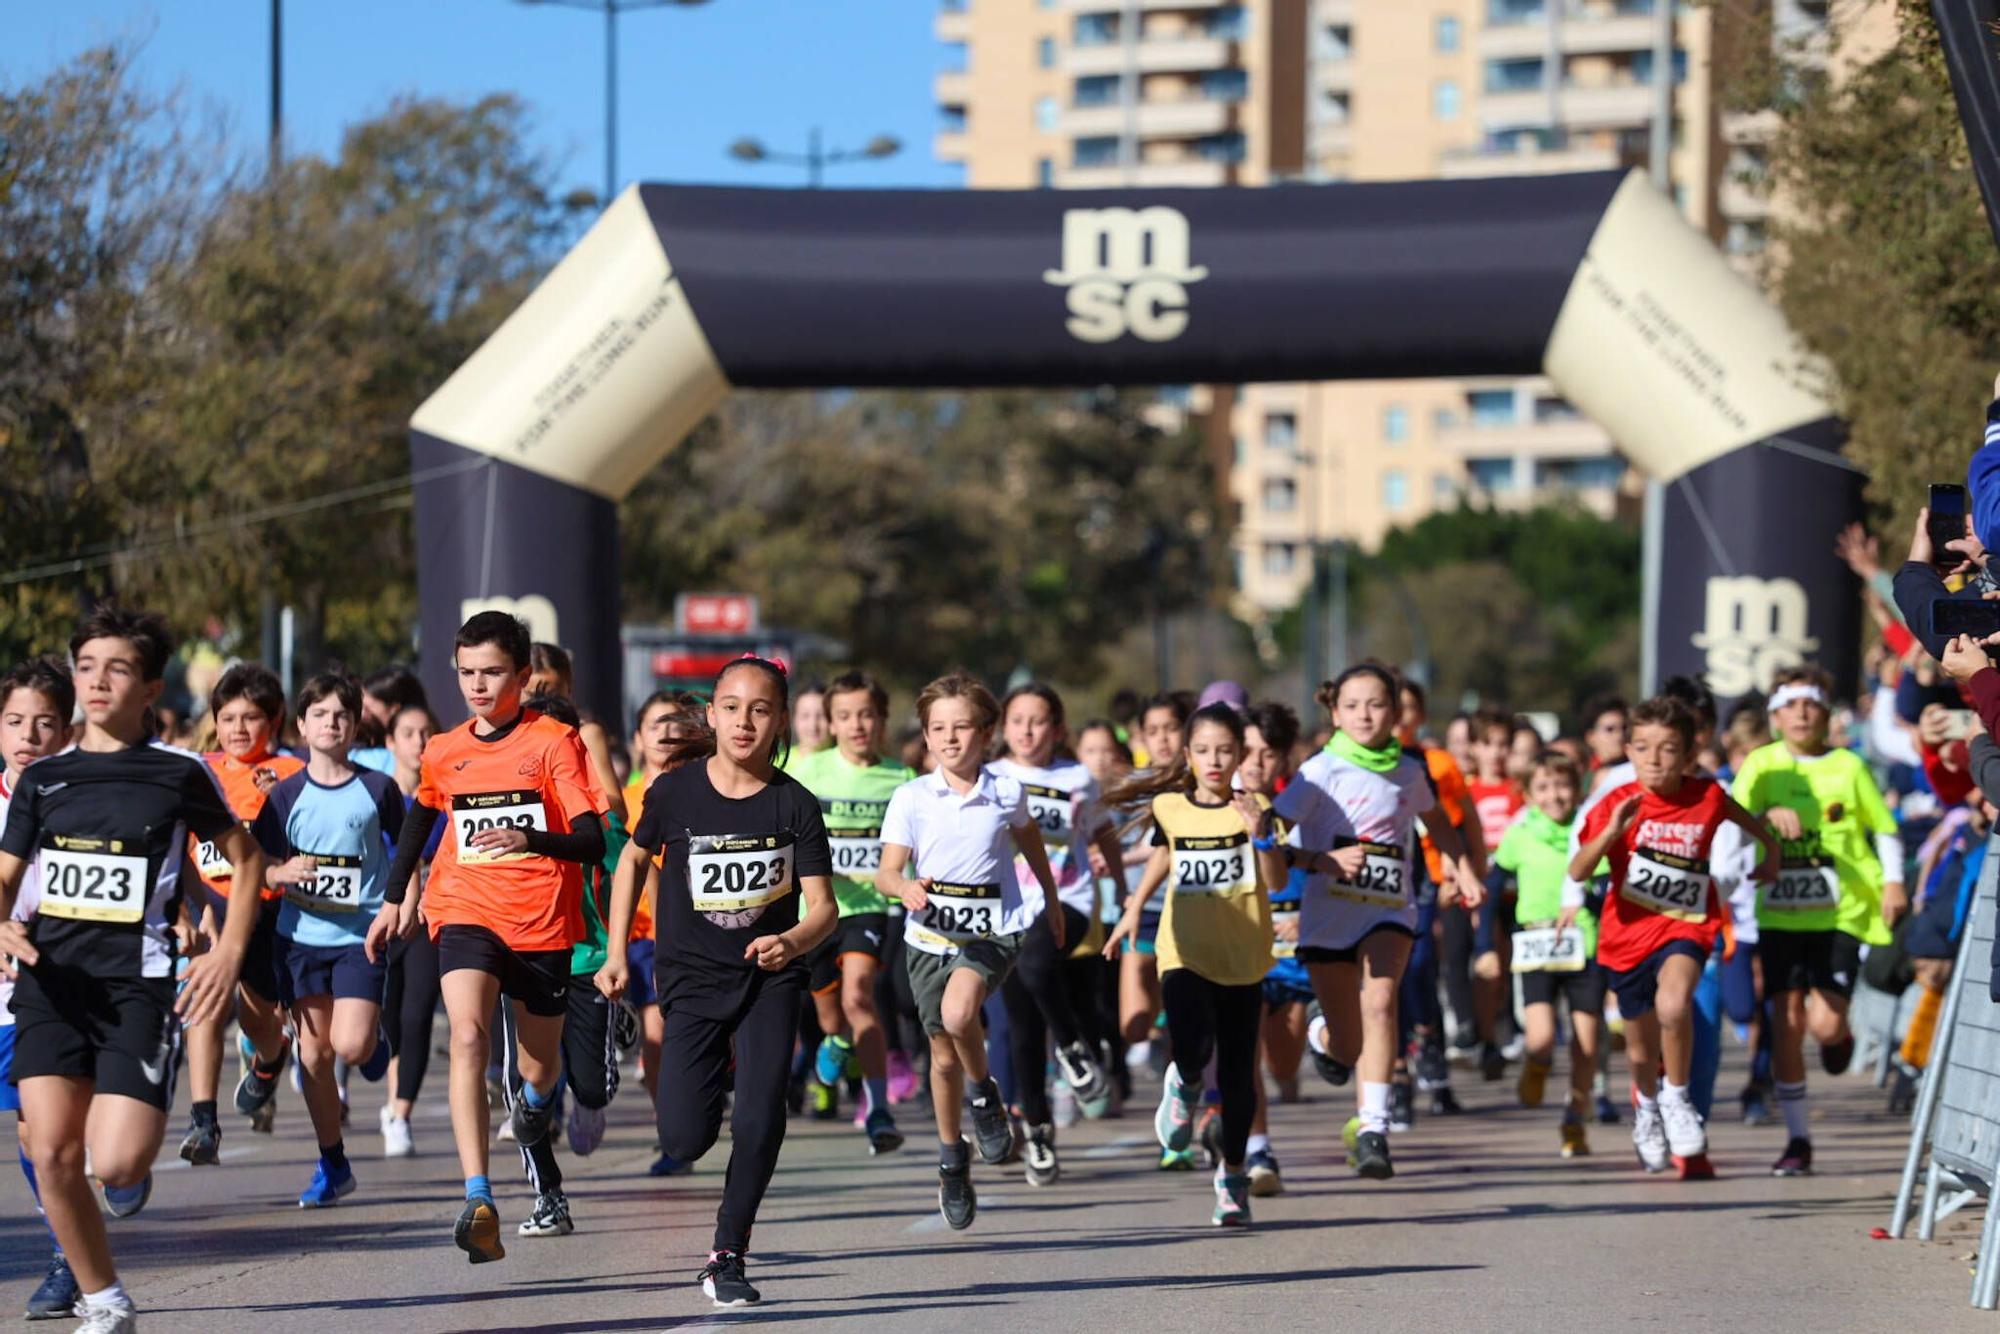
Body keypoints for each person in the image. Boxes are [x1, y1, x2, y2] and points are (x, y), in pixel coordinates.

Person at [0, 607, 268, 1334]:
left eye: (116, 668)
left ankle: (133, 1127)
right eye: (85, 665)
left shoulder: (179, 773)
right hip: (51, 983)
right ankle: (106, 1299)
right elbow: (4, 874)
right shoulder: (45, 779)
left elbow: (246, 864)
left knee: (113, 1165)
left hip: (136, 988)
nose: (95, 681)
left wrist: (228, 952)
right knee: (51, 1152)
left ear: (150, 687)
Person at [595, 655, 835, 1308]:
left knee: (760, 1121)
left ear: (780, 719)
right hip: (691, 981)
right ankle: (718, 1077)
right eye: (731, 707)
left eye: (760, 709)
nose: (744, 721)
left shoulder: (795, 804)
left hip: (770, 980)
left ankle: (727, 1253)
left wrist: (789, 940)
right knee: (684, 1138)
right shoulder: (673, 793)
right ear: (712, 714)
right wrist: (615, 951)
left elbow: (824, 909)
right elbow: (632, 860)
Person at [375, 611, 609, 1263]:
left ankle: (535, 1103)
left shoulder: (554, 742)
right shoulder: (445, 750)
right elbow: (421, 821)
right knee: (470, 1036)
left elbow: (590, 841)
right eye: (467, 673)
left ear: (523, 675)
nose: (477, 686)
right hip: (464, 910)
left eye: (493, 673)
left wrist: (529, 838)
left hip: (541, 925)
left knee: (538, 1068)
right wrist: (397, 897)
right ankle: (478, 1195)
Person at [1268, 664, 1485, 1180]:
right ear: (1335, 713)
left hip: (1389, 908)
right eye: (1353, 705)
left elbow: (1438, 824)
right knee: (1348, 1044)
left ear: (1395, 711)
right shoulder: (1318, 772)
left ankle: (1373, 1129)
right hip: (1329, 916)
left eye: (1376, 704)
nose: (1365, 715)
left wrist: (1463, 867)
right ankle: (1323, 1035)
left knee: (1383, 1001)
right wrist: (1318, 860)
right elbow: (1273, 843)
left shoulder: (1410, 770)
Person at [877, 671, 1062, 1225]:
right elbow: (886, 870)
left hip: (993, 930)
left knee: (961, 1014)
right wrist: (904, 885)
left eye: (962, 728)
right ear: (926, 737)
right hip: (929, 936)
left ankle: (984, 1095)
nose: (951, 738)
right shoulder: (912, 796)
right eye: (939, 729)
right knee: (939, 1055)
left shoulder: (1006, 791)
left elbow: (1029, 839)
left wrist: (1050, 897)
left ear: (986, 734)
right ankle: (952, 1159)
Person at [1568, 696, 1778, 1179]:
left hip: (1686, 924)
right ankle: (1647, 1109)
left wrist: (1770, 856)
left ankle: (1678, 1098)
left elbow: (1756, 827)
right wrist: (1611, 833)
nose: (1654, 759)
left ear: (1688, 754)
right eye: (1643, 748)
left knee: (1674, 1005)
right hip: (1627, 937)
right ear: (1629, 750)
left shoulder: (1707, 796)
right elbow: (1578, 870)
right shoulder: (1615, 802)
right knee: (1641, 1050)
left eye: (1668, 749)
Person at [1731, 665, 1904, 1176]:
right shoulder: (1761, 766)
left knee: (1824, 1025)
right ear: (1776, 716)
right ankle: (1798, 1139)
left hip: (1840, 913)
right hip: (1780, 914)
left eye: (1811, 704)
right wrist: (1763, 822)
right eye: (1791, 705)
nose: (1802, 713)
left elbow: (1885, 828)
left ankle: (1839, 1037)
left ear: (1826, 713)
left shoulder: (1849, 767)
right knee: (1786, 1026)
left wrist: (1893, 882)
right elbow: (1728, 831)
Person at [1106, 702, 1274, 1226]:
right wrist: (1132, 910)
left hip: (1243, 956)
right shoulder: (1170, 807)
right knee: (1191, 1042)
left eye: (1225, 750)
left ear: (1241, 754)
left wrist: (1260, 831)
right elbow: (1166, 852)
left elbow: (1281, 876)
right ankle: (1183, 1087)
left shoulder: (1257, 806)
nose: (1215, 760)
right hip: (1183, 949)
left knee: (1240, 1077)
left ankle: (1232, 1175)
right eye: (1204, 751)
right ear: (1188, 756)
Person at [250, 673, 407, 1208]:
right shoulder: (285, 795)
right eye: (320, 714)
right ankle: (333, 1163)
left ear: (355, 724)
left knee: (352, 1046)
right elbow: (259, 866)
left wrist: (404, 901)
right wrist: (281, 872)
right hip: (299, 939)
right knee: (313, 1059)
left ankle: (374, 1040)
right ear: (301, 725)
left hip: (359, 935)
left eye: (341, 714)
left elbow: (406, 852)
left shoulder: (377, 789)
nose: (331, 723)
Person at [495, 692, 623, 1238]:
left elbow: (632, 878)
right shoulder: (503, 813)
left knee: (590, 1087)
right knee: (524, 1092)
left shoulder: (598, 821)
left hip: (587, 961)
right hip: (523, 960)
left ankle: (589, 1093)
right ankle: (549, 1198)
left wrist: (620, 954)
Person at [989, 683, 1122, 1176]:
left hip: (1067, 900)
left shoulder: (1078, 778)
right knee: (1022, 1026)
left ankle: (1070, 1048)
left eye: (1038, 720)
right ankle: (1039, 1133)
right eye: (1018, 719)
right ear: (1004, 727)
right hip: (1007, 909)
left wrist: (1125, 895)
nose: (1027, 730)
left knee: (1038, 964)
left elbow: (1104, 831)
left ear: (1058, 729)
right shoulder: (990, 777)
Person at [179, 665, 304, 1162]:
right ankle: (203, 1121)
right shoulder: (196, 769)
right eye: (227, 717)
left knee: (259, 1022)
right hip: (209, 903)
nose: (237, 728)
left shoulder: (293, 772)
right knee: (203, 1001)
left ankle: (271, 1060)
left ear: (273, 720)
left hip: (267, 912)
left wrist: (281, 871)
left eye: (250, 717)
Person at [786, 671, 914, 1156]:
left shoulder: (900, 779)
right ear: (831, 723)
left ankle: (878, 1108)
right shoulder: (806, 772)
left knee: (861, 997)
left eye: (866, 715)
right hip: (814, 910)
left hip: (868, 907)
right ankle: (836, 1041)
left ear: (881, 720)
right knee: (829, 1014)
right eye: (844, 716)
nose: (856, 724)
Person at [0, 657, 80, 1319]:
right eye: (15, 721)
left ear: (66, 730)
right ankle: (69, 1249)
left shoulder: (81, 800)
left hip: (71, 984)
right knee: (30, 1137)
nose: (28, 734)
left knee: (49, 1131)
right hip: (4, 991)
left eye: (44, 723)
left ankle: (66, 1258)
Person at [1495, 752, 1601, 1157]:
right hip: (1535, 946)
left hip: (1584, 946)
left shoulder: (1590, 830)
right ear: (1529, 794)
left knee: (1586, 1045)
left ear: (1577, 788)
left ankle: (1574, 1120)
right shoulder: (1519, 833)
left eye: (1562, 786)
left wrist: (1589, 900)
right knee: (1539, 1038)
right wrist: (1489, 942)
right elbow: (1496, 883)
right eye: (1543, 787)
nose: (1555, 796)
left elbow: (1605, 882)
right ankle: (1536, 1066)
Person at [622, 689, 706, 1176]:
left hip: (686, 930)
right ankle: (670, 1131)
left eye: (678, 726)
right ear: (638, 738)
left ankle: (684, 1122)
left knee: (668, 1034)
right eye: (658, 725)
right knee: (652, 1040)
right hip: (635, 934)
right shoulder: (625, 797)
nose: (668, 734)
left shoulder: (702, 790)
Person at [1239, 702, 1307, 1197]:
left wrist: (1306, 917)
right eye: (1246, 752)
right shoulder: (1216, 806)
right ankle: (1257, 1148)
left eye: (1268, 754)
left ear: (1283, 760)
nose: (1255, 763)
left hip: (1293, 954)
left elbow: (1323, 868)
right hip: (1240, 947)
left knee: (1284, 1064)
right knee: (1245, 1053)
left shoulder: (1299, 808)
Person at [377, 702, 440, 1158]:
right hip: (376, 922)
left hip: (428, 921)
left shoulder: (446, 799)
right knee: (385, 1022)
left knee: (416, 1018)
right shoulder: (374, 794)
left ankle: (400, 1115)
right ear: (390, 742)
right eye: (408, 733)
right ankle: (387, 1099)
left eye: (425, 733)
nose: (418, 741)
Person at [527, 643, 628, 826]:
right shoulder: (506, 736)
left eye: (553, 694)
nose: (543, 703)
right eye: (531, 695)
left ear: (569, 688)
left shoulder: (586, 734)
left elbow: (617, 812)